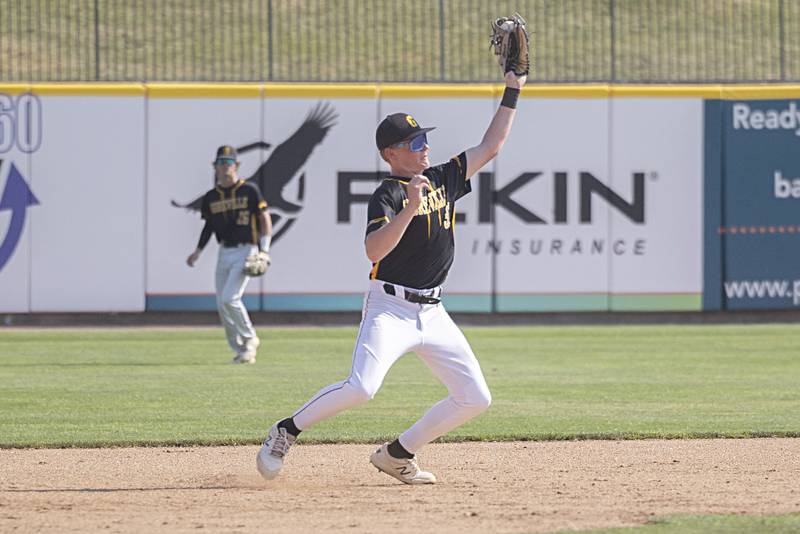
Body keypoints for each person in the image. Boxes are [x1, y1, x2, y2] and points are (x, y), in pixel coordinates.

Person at [256, 70, 526, 484]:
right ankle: (285, 431)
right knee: (362, 388)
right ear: (391, 154)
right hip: (390, 307)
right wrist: (408, 208)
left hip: (434, 312)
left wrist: (514, 89)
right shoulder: (388, 194)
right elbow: (374, 250)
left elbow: (492, 146)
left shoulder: (441, 176)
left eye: (425, 140)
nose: (425, 147)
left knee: (475, 398)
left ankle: (398, 454)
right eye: (415, 143)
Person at [186, 145, 273, 364]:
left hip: (247, 250)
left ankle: (250, 337)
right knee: (222, 305)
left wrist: (264, 250)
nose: (224, 167)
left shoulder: (249, 190)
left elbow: (265, 219)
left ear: (237, 165)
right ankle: (242, 350)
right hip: (224, 251)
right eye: (220, 163)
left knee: (230, 298)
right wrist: (198, 251)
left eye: (228, 162)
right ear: (214, 167)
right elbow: (209, 226)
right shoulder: (211, 197)